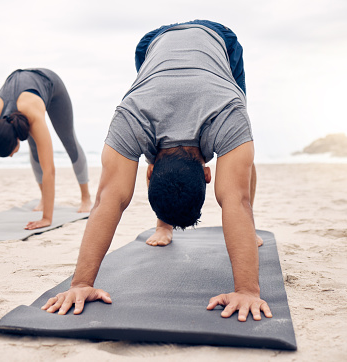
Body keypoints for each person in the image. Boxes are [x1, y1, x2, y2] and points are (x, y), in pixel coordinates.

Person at [41, 21, 273, 322]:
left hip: (215, 47)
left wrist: (248, 289)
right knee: (238, 162)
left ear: (148, 171)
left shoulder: (226, 114)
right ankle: (163, 227)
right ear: (207, 173)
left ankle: (233, 227)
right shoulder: (136, 115)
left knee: (240, 154)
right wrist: (246, 292)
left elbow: (106, 199)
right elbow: (234, 200)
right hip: (157, 45)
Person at [0, 68, 91, 230]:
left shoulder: (33, 115)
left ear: (16, 139)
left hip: (51, 85)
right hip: (20, 86)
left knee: (69, 142)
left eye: (10, 153)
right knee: (34, 149)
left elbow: (49, 170)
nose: (11, 156)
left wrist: (46, 218)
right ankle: (44, 198)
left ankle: (86, 197)